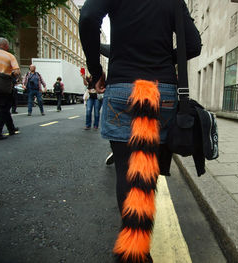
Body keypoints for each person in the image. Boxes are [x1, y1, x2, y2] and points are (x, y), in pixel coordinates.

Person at [79, 0, 201, 262]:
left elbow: (88, 16)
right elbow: (193, 45)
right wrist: (162, 56)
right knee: (147, 168)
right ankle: (137, 247)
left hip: (123, 87)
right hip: (163, 92)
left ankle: (134, 249)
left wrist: (96, 69)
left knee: (126, 168)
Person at [0, 37, 20, 140]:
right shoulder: (9, 56)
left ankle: (11, 129)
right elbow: (17, 72)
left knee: (4, 108)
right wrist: (13, 75)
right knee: (2, 108)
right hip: (2, 85)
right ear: (5, 46)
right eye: (8, 45)